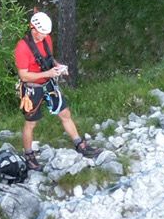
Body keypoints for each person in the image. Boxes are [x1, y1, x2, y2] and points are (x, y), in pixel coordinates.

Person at [14, 11, 100, 162]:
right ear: (33, 28)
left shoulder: (46, 39)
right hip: (32, 88)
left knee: (65, 113)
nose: (43, 36)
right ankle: (28, 154)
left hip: (48, 83)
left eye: (46, 33)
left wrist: (57, 66)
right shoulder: (22, 47)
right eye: (41, 33)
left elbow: (48, 58)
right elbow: (24, 76)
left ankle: (79, 144)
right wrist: (48, 73)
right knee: (31, 123)